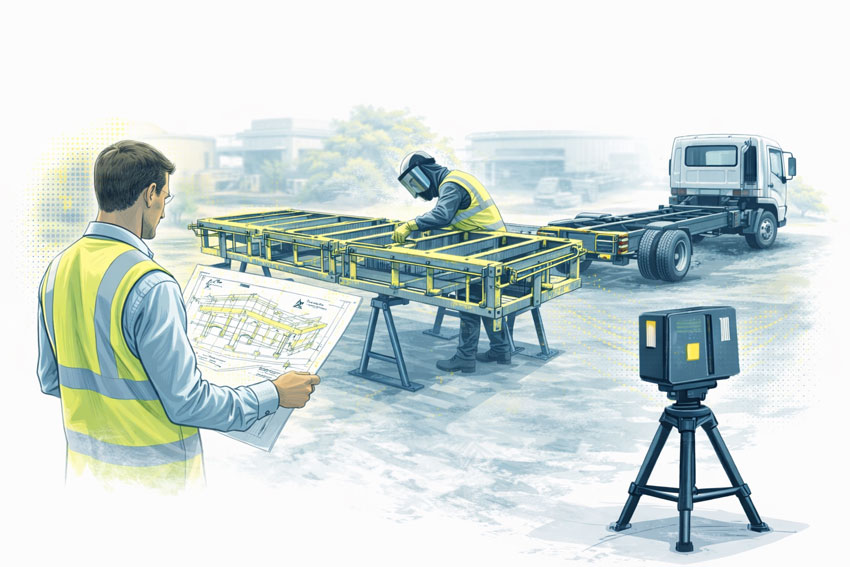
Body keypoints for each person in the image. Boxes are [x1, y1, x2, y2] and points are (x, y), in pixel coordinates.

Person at [36, 140, 320, 491]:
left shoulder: (58, 269)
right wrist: (274, 393)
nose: (164, 212)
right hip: (157, 480)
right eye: (165, 199)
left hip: (86, 475)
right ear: (150, 193)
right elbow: (188, 404)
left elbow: (50, 379)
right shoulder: (149, 284)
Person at [393, 150, 511, 373]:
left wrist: (411, 225)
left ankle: (465, 359)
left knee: (469, 304)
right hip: (492, 248)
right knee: (489, 302)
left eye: (415, 183)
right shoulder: (457, 178)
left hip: (484, 252)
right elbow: (457, 218)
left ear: (422, 174)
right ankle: (501, 350)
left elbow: (442, 215)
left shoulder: (451, 185)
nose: (418, 191)